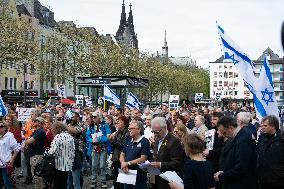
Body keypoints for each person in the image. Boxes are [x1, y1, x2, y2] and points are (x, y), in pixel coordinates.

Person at [214, 116, 257, 189]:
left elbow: (241, 167)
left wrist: (223, 176)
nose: (224, 136)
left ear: (231, 128)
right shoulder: (238, 136)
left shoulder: (243, 140)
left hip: (242, 184)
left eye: (224, 132)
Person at [150, 117, 184, 189]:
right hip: (155, 178)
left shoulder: (174, 141)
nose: (155, 134)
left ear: (165, 127)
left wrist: (161, 164)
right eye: (153, 132)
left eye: (157, 132)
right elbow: (156, 156)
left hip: (167, 181)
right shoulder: (157, 138)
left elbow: (178, 162)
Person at [120, 120, 151, 189]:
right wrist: (123, 164)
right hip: (127, 171)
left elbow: (143, 158)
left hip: (139, 174)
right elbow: (122, 154)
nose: (129, 130)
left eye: (131, 129)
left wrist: (128, 163)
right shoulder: (128, 139)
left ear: (139, 130)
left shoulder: (145, 141)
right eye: (129, 128)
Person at [257, 115, 284, 189]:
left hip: (277, 181)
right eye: (262, 125)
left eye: (265, 125)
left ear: (273, 126)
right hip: (263, 179)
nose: (262, 127)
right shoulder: (262, 137)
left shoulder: (281, 139)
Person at [47, 122, 75, 189]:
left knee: (57, 184)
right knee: (64, 184)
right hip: (68, 164)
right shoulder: (70, 136)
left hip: (59, 165)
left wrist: (46, 151)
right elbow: (73, 150)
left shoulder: (58, 137)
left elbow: (52, 152)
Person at [24, 117, 47, 189]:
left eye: (35, 121)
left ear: (39, 123)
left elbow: (28, 141)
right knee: (35, 175)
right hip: (34, 155)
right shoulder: (36, 131)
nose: (33, 122)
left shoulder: (40, 131)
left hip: (37, 156)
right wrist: (29, 141)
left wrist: (28, 141)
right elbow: (28, 140)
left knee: (37, 176)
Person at [108, 116, 129, 189]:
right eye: (117, 121)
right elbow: (114, 145)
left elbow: (123, 146)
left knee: (122, 180)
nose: (117, 123)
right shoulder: (117, 132)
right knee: (115, 179)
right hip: (115, 158)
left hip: (122, 159)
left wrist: (113, 140)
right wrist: (110, 139)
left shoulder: (127, 133)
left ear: (125, 123)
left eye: (119, 121)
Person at [0, 121, 21, 189]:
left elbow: (17, 148)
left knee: (7, 182)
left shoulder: (9, 136)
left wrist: (12, 159)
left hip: (5, 163)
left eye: (1, 127)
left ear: (5, 128)